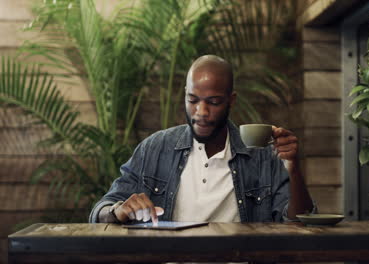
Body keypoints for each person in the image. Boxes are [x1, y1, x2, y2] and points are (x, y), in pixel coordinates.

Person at [89, 55, 316, 224]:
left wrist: (293, 169)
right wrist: (117, 211)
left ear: (231, 100)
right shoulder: (155, 148)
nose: (201, 111)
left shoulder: (264, 155)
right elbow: (100, 211)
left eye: (214, 102)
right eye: (193, 100)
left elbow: (299, 223)